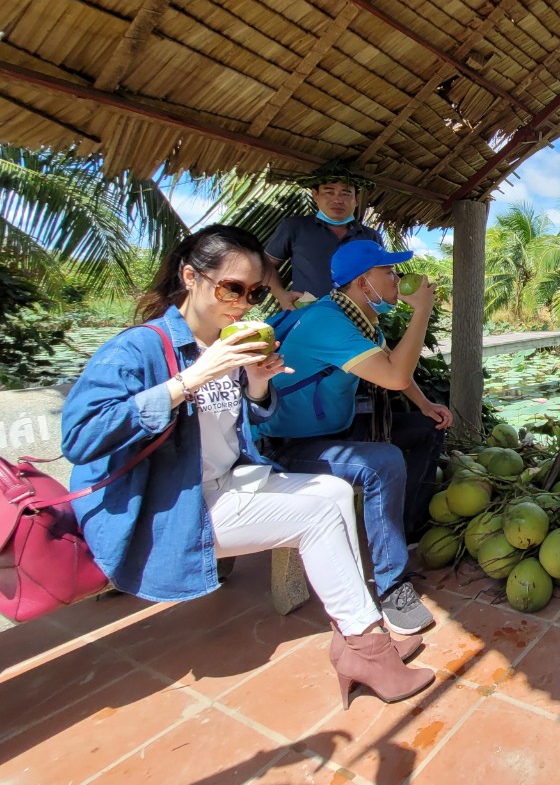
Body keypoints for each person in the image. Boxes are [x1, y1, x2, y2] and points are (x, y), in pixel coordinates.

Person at [61, 225, 435, 709]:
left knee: (335, 494)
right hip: (171, 504)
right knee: (320, 512)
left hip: (225, 483)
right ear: (191, 277)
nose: (242, 303)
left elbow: (243, 425)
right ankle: (368, 648)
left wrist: (257, 383)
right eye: (230, 288)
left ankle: (355, 638)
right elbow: (81, 436)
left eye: (255, 293)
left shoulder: (230, 341)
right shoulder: (140, 348)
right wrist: (191, 379)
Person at [257, 240, 451, 636]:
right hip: (293, 445)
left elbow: (394, 371)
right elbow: (395, 374)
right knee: (384, 463)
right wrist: (423, 312)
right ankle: (392, 587)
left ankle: (402, 530)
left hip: (337, 429)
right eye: (390, 273)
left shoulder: (360, 317)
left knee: (426, 429)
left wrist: (426, 404)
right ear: (365, 283)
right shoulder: (328, 322)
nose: (397, 279)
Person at [265, 161, 384, 309]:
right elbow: (265, 264)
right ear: (315, 195)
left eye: (345, 193)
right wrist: (281, 295)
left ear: (357, 200)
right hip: (306, 318)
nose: (337, 200)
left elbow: (382, 277)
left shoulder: (371, 237)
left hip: (356, 320)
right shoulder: (295, 227)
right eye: (329, 192)